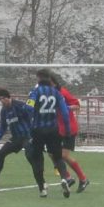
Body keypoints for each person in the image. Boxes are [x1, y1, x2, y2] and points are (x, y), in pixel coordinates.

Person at [27, 69, 73, 198]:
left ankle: (42, 188)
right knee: (57, 157)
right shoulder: (57, 93)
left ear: (38, 78)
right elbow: (64, 113)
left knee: (37, 158)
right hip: (53, 130)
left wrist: (31, 122)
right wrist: (67, 131)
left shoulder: (35, 92)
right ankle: (64, 178)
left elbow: (28, 107)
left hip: (38, 130)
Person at [0, 89, 35, 190]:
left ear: (8, 97)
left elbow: (32, 116)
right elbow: (2, 129)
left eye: (2, 99)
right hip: (16, 138)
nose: (1, 101)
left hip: (27, 136)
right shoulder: (3, 111)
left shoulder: (20, 106)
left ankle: (40, 178)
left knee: (29, 155)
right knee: (1, 153)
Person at [49, 73, 90, 193]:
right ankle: (67, 177)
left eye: (49, 83)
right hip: (57, 129)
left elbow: (76, 105)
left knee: (64, 155)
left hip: (69, 128)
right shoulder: (47, 94)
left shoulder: (63, 92)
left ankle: (83, 178)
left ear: (54, 83)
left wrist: (65, 107)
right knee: (51, 153)